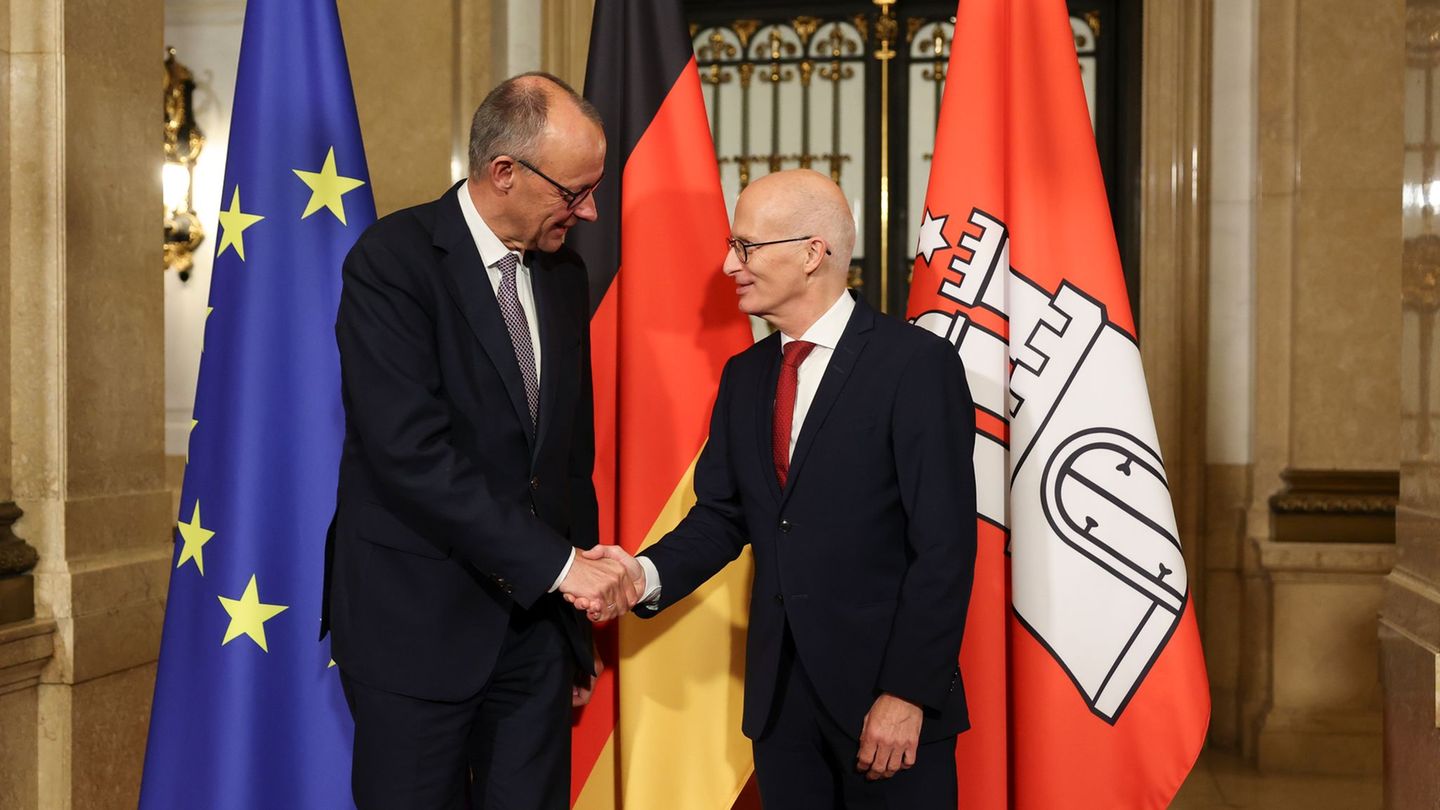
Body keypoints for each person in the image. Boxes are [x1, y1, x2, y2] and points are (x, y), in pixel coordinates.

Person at [576, 169, 977, 808]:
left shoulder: (916, 366)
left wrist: (907, 693)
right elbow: (722, 517)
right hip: (781, 706)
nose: (729, 264)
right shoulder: (746, 376)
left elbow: (946, 548)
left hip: (886, 704)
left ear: (813, 252)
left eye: (746, 247)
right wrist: (640, 576)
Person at [322, 72, 638, 810]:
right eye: (574, 191)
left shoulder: (562, 272)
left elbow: (566, 459)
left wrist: (571, 623)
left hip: (532, 631)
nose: (589, 211)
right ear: (504, 173)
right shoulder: (392, 262)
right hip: (415, 627)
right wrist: (562, 567)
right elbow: (410, 455)